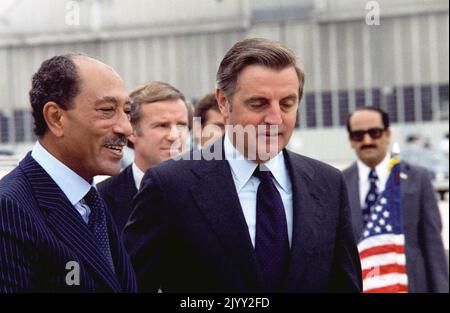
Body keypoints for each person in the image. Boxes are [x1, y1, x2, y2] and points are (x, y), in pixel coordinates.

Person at [123, 38, 362, 292]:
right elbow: (133, 286)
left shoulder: (328, 184)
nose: (274, 119)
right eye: (258, 104)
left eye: (287, 104)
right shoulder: (170, 186)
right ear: (223, 103)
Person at [0, 54, 137, 292]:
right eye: (107, 110)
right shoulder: (10, 209)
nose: (125, 127)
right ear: (56, 118)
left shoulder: (92, 200)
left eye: (127, 112)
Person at [343, 106, 448, 293]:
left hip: (410, 286)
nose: (367, 141)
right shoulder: (339, 183)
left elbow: (433, 245)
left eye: (374, 132)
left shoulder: (418, 178)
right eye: (358, 135)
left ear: (387, 134)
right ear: (351, 140)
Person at [97, 81, 189, 232]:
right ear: (131, 132)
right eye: (162, 125)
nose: (174, 136)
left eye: (181, 125)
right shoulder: (101, 200)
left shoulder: (209, 192)